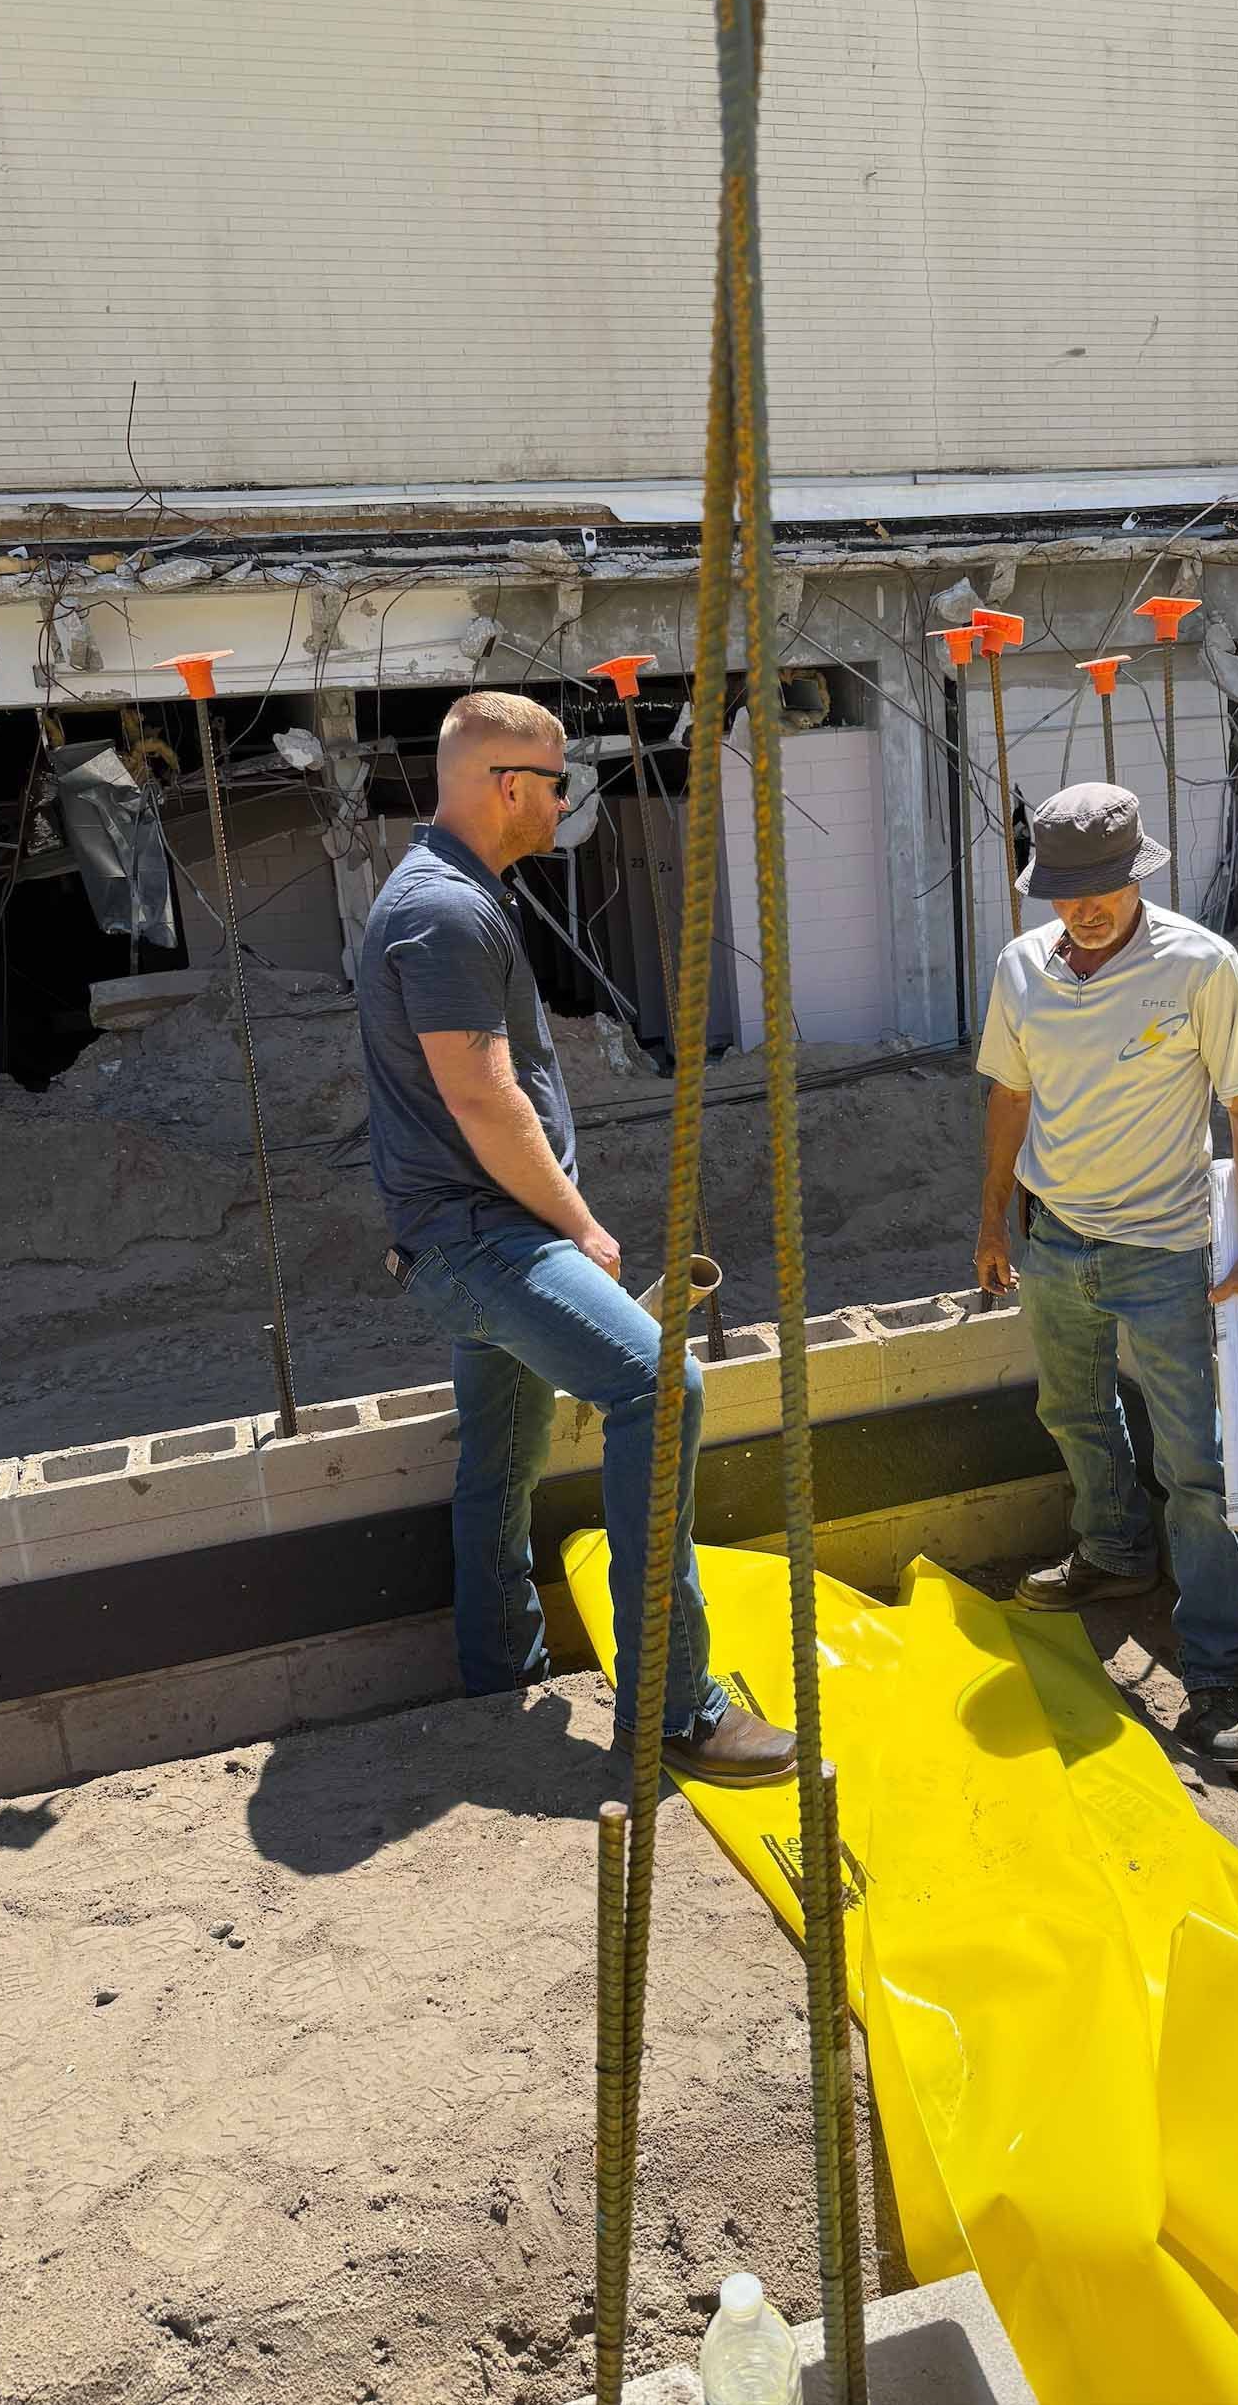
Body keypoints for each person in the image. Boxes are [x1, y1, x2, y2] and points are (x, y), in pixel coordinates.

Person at [356, 690, 796, 1787]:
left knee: (500, 1462)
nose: (566, 800)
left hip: (466, 1236)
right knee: (666, 1387)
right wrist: (579, 1225)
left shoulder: (449, 896)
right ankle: (677, 1709)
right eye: (557, 782)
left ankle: (495, 1671)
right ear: (508, 786)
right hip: (487, 1239)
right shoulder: (447, 913)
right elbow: (485, 1097)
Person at [972, 784, 1238, 1766]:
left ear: (1135, 871)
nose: (1084, 908)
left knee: (1195, 1463)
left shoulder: (1200, 965)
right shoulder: (1021, 968)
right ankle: (1111, 1554)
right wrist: (991, 1220)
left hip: (1166, 1252)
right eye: (1065, 892)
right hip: (1057, 1239)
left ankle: (1213, 1671)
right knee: (1073, 1412)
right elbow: (1008, 1100)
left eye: (1101, 887)